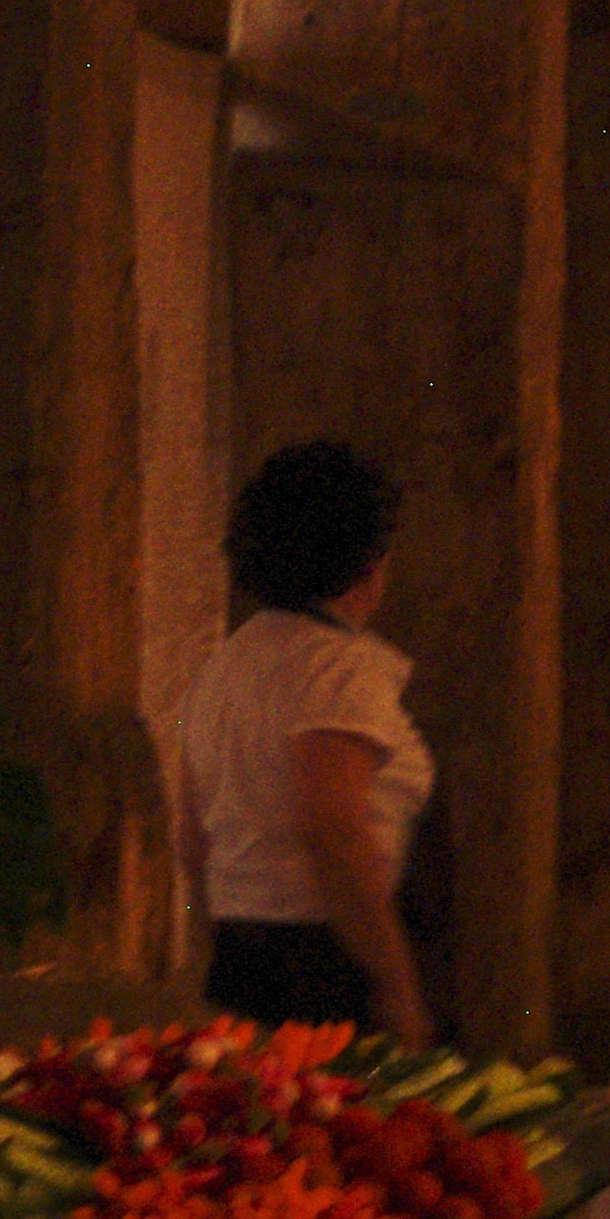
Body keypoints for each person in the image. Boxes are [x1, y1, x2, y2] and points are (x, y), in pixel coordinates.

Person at [178, 441, 440, 1040]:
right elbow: (333, 831)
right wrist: (395, 983)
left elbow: (193, 840)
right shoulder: (339, 670)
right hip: (326, 960)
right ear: (368, 560)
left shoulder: (224, 666)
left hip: (237, 952)